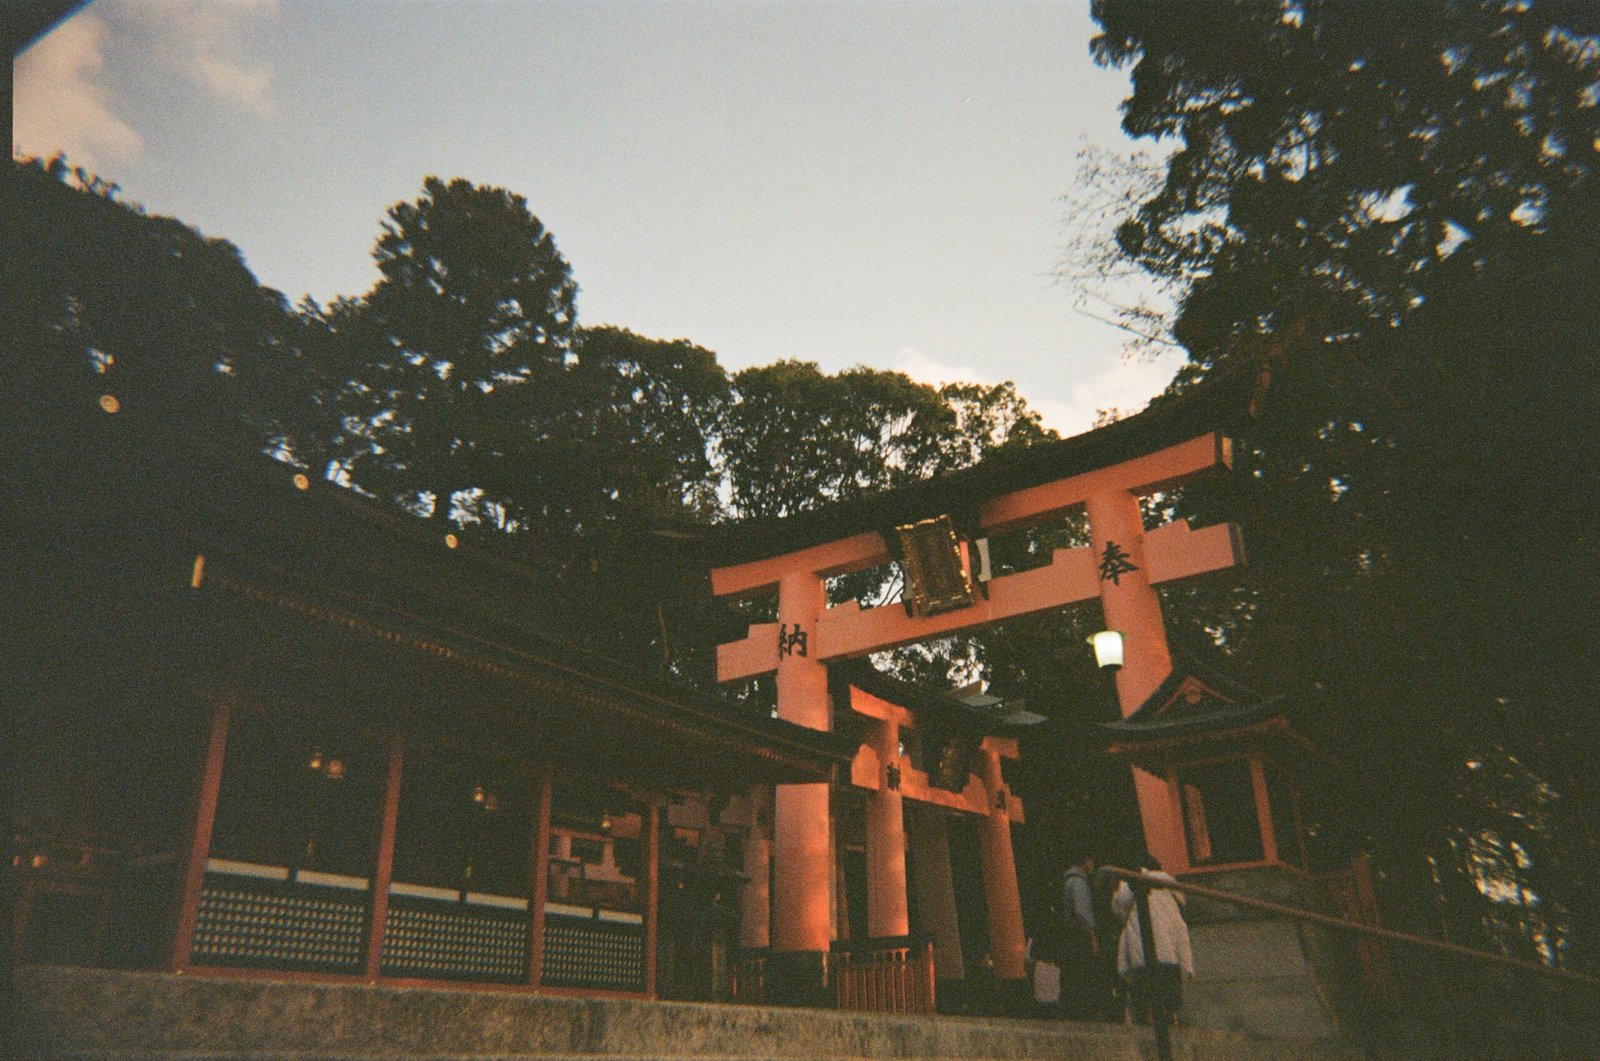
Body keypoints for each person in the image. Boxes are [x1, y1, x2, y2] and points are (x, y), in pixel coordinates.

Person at [1112, 851, 1192, 1029]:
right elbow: (1182, 904)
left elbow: (1119, 911)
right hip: (1169, 946)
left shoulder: (1129, 882)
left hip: (1142, 946)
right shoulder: (1167, 882)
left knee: (1146, 986)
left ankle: (1149, 1020)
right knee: (1168, 984)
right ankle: (1172, 1019)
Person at [1060, 851, 1104, 1019]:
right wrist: (1092, 935)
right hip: (1080, 935)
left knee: (1075, 973)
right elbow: (1082, 912)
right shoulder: (1079, 883)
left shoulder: (1068, 881)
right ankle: (1086, 1012)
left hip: (1071, 934)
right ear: (1086, 861)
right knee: (1084, 973)